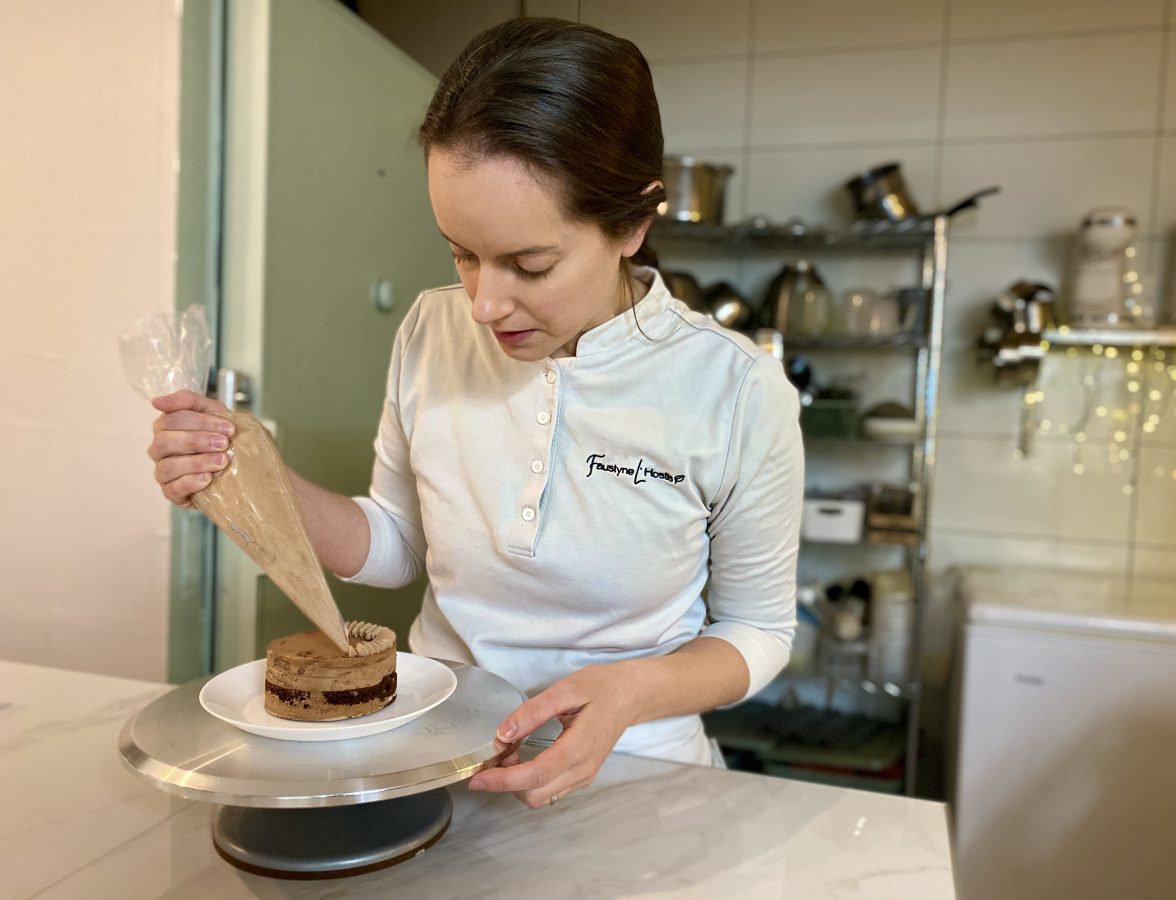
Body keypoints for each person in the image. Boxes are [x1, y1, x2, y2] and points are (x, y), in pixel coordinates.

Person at [147, 17, 804, 809]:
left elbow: (759, 632)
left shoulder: (734, 389)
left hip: (640, 776)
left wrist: (634, 691)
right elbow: (393, 545)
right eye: (460, 252)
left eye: (530, 264)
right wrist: (250, 474)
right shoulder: (430, 329)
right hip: (440, 759)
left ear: (632, 223)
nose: (485, 303)